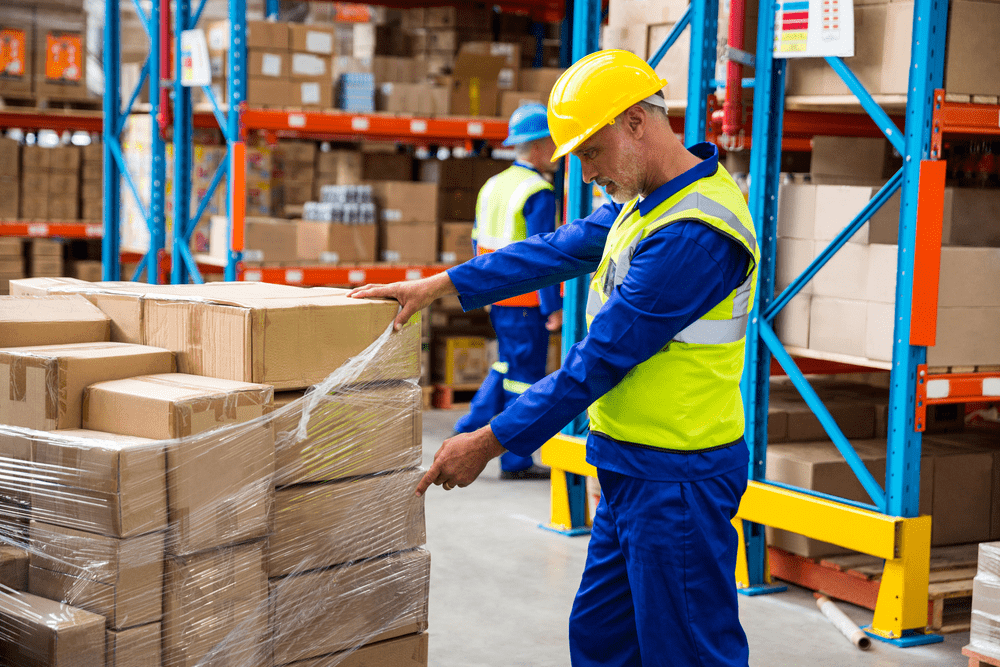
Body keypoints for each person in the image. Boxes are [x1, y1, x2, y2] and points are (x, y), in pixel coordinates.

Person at [351, 49, 758, 667]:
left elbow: (597, 361)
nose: (587, 172)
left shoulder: (694, 235)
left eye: (591, 152)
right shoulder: (650, 202)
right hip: (628, 467)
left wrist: (490, 440)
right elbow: (557, 249)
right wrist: (439, 286)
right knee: (601, 642)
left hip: (678, 477)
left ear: (636, 123)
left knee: (686, 652)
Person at [453, 103, 563, 480]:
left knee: (507, 363)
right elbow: (544, 256)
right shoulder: (539, 192)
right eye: (553, 141)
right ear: (536, 146)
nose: (559, 149)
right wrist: (554, 307)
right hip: (527, 304)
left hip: (499, 298)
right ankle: (516, 460)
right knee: (525, 376)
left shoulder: (493, 185)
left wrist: (481, 290)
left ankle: (470, 425)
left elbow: (475, 239)